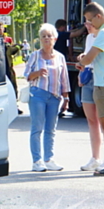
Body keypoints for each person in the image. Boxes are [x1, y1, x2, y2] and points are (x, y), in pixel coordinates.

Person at [78, 2, 104, 175]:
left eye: (89, 20)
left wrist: (81, 59)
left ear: (98, 16)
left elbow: (88, 59)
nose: (89, 24)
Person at [24, 23, 70, 172]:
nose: (46, 39)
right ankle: (37, 161)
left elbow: (64, 78)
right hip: (38, 93)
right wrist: (36, 73)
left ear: (55, 38)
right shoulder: (34, 55)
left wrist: (66, 98)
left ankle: (49, 159)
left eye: (49, 36)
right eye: (43, 36)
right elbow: (26, 75)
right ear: (40, 39)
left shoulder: (60, 57)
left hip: (54, 96)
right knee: (37, 128)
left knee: (51, 129)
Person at [78, 19, 104, 171]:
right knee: (92, 120)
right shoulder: (89, 38)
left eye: (89, 22)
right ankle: (95, 157)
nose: (86, 26)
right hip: (88, 76)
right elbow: (87, 59)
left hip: (102, 78)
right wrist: (81, 70)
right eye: (85, 23)